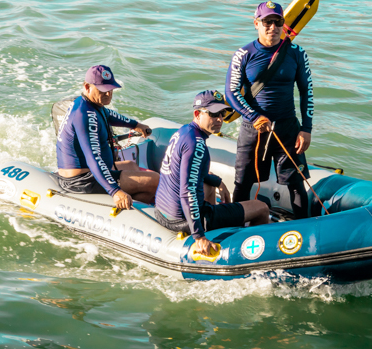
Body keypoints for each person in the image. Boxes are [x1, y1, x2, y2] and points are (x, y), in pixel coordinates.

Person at [154, 90, 270, 258]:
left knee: (208, 187)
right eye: (213, 114)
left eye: (222, 114)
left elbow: (189, 174)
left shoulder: (184, 132)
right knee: (261, 208)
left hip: (162, 212)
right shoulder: (196, 145)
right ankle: (251, 254)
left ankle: (217, 227)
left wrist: (218, 182)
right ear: (197, 114)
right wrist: (199, 236)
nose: (219, 119)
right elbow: (188, 192)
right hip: (182, 220)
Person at [225, 0, 314, 218]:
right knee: (242, 183)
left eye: (277, 22)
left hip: (287, 129)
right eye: (267, 22)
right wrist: (253, 116)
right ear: (256, 23)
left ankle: (304, 227)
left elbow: (306, 92)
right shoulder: (243, 54)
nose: (272, 27)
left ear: (283, 24)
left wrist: (306, 129)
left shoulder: (297, 53)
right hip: (253, 129)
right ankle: (237, 228)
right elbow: (231, 92)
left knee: (296, 184)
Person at [55, 65, 159, 210]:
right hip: (82, 180)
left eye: (111, 89)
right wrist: (115, 191)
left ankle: (135, 200)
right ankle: (132, 209)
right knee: (155, 180)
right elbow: (94, 158)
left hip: (88, 172)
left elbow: (109, 114)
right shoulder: (85, 116)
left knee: (131, 166)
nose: (109, 94)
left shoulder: (86, 103)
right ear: (87, 87)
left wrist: (135, 125)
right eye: (103, 90)